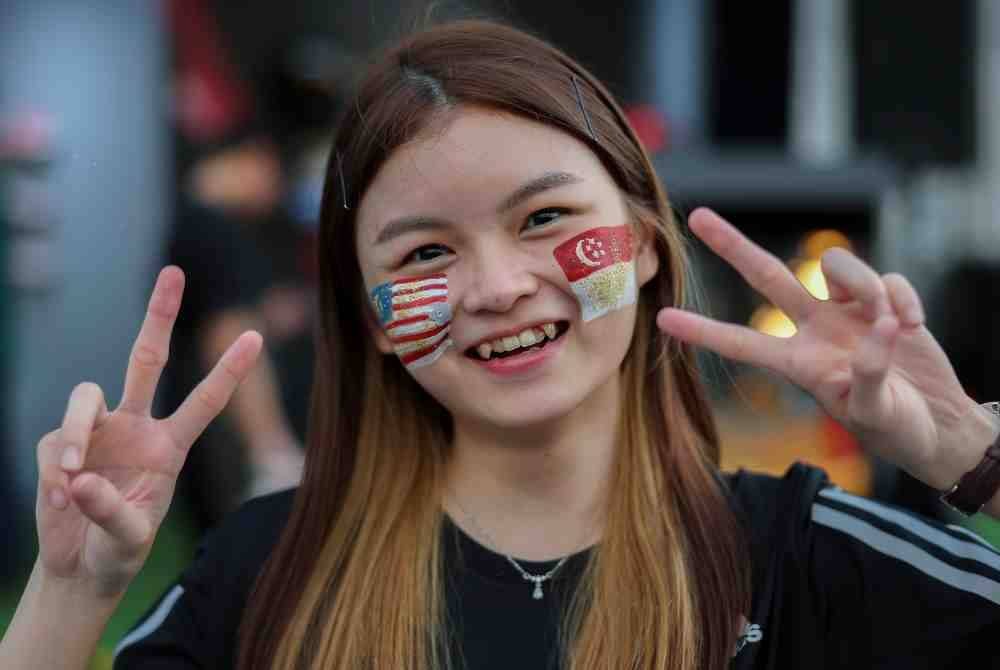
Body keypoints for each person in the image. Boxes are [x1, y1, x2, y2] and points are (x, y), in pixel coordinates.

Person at [2, 19, 999, 670]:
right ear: (373, 320)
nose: (496, 286)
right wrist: (71, 590)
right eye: (427, 250)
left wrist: (972, 455)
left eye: (543, 218)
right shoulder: (269, 574)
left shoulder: (800, 559)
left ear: (645, 245)